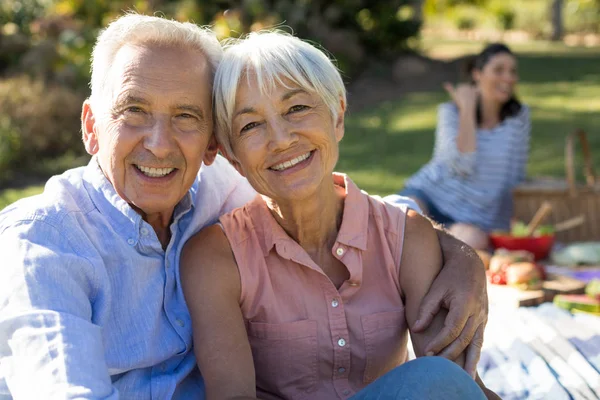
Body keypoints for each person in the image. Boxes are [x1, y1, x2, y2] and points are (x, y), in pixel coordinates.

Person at [0, 13, 487, 399]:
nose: (160, 144)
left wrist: (459, 254)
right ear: (90, 125)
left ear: (213, 147)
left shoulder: (210, 190)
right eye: (134, 110)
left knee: (438, 383)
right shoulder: (41, 244)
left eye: (186, 117)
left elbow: (353, 210)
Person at [180, 30, 498, 400]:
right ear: (233, 158)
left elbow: (457, 384)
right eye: (251, 125)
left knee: (435, 377)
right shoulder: (216, 259)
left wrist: (466, 257)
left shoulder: (406, 238)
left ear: (338, 116)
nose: (281, 139)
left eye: (297, 108)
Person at [395, 43, 530, 250]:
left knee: (467, 244)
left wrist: (506, 225)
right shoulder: (449, 112)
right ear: (477, 74)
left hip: (472, 219)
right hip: (429, 196)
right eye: (499, 70)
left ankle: (425, 246)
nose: (508, 78)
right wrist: (467, 109)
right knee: (401, 214)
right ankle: (424, 246)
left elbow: (515, 174)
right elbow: (462, 164)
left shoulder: (518, 118)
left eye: (513, 71)